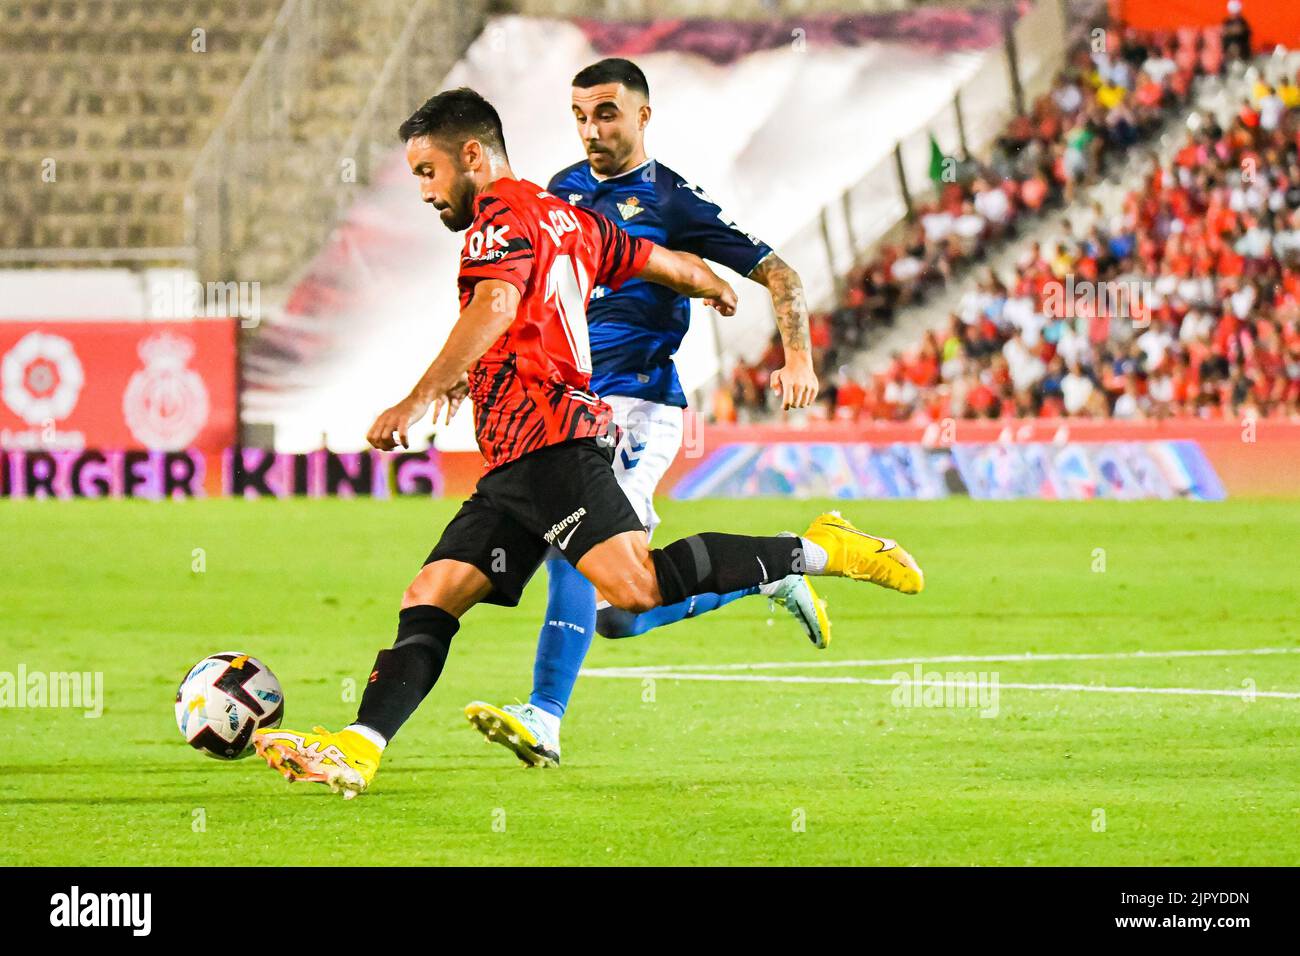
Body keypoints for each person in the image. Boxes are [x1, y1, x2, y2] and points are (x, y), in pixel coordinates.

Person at [253, 88, 925, 798]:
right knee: (432, 593)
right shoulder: (565, 215)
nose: (425, 190)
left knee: (632, 593)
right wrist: (707, 282)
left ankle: (818, 549)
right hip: (516, 463)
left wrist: (419, 397)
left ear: (473, 156)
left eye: (428, 171)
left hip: (553, 445)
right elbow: (649, 260)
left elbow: (497, 303)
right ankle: (359, 748)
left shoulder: (499, 217)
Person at [464, 58, 827, 767]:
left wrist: (799, 358)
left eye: (606, 113)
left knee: (576, 548)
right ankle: (766, 569)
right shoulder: (558, 193)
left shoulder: (672, 200)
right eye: (579, 116)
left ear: (642, 116)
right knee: (618, 618)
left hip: (635, 404)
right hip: (566, 401)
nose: (591, 129)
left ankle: (544, 718)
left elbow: (779, 273)